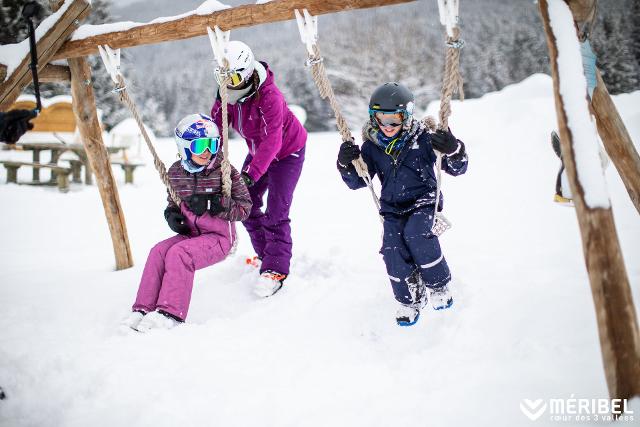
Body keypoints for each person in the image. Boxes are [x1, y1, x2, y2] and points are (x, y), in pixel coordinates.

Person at [336, 82, 468, 326]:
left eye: (394, 119)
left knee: (417, 234)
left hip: (424, 200)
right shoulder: (372, 146)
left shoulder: (425, 140)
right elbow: (358, 181)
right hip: (392, 208)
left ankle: (439, 286)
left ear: (406, 117)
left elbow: (457, 168)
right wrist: (346, 164)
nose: (387, 126)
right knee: (392, 248)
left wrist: (454, 149)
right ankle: (409, 299)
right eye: (381, 119)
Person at [121, 114, 252, 332]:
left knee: (180, 254)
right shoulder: (175, 172)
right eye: (200, 145)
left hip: (219, 238)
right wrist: (172, 215)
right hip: (192, 234)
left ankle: (171, 313)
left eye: (212, 144)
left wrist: (216, 204)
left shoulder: (224, 171)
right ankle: (143, 309)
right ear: (184, 147)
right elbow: (172, 200)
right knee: (158, 252)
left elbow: (245, 208)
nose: (207, 151)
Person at [210, 41, 307, 298]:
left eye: (231, 77)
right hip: (258, 152)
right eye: (221, 77)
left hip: (287, 153)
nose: (226, 82)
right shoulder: (229, 93)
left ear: (245, 73)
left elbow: (273, 140)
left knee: (277, 211)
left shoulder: (269, 96)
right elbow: (218, 126)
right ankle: (267, 256)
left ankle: (275, 269)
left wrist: (251, 174)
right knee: (246, 204)